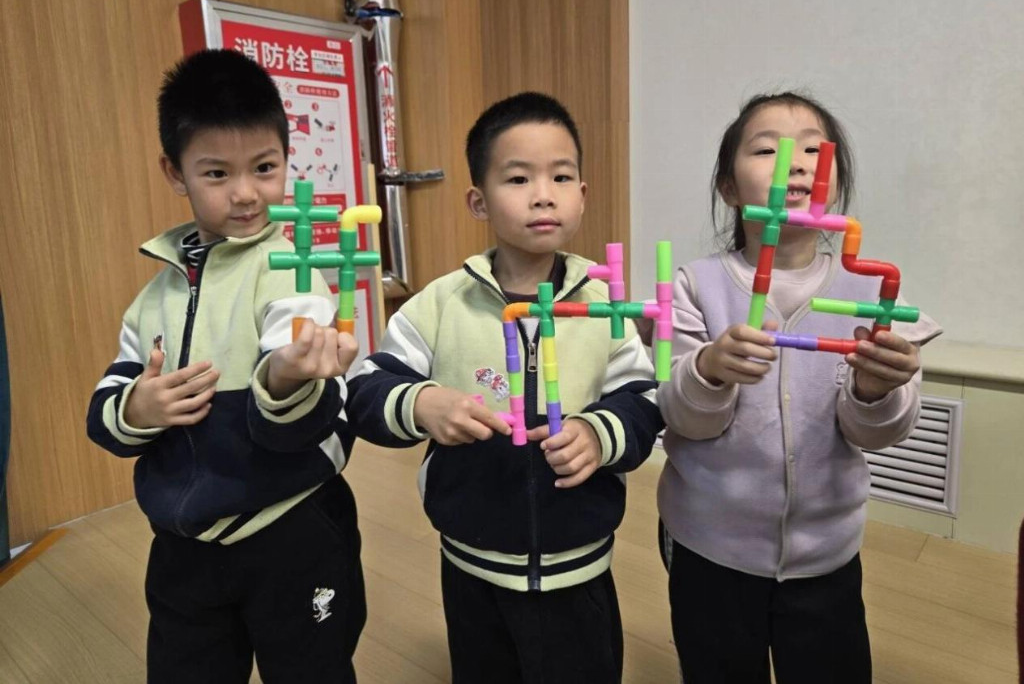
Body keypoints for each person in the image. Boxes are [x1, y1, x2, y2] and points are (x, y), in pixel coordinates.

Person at [347, 92, 663, 683]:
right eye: (518, 178)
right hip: (471, 558)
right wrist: (421, 401)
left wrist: (599, 434)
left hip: (579, 561)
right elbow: (366, 386)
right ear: (478, 201)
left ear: (582, 194)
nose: (543, 194)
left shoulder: (605, 307)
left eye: (561, 177)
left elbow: (643, 399)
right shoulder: (442, 304)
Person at [86, 49, 365, 684]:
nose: (246, 193)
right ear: (175, 172)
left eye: (265, 167)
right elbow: (107, 409)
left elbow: (298, 427)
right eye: (216, 173)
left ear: (286, 159)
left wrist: (286, 378)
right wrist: (137, 408)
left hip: (292, 525)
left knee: (313, 670)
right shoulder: (153, 297)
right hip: (183, 541)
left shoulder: (292, 274)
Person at [655, 92, 941, 683]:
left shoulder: (872, 295)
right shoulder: (696, 285)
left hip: (826, 553)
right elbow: (682, 417)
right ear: (729, 188)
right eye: (766, 150)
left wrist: (873, 392)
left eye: (814, 149)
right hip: (710, 545)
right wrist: (709, 370)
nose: (795, 162)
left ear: (834, 185)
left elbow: (877, 433)